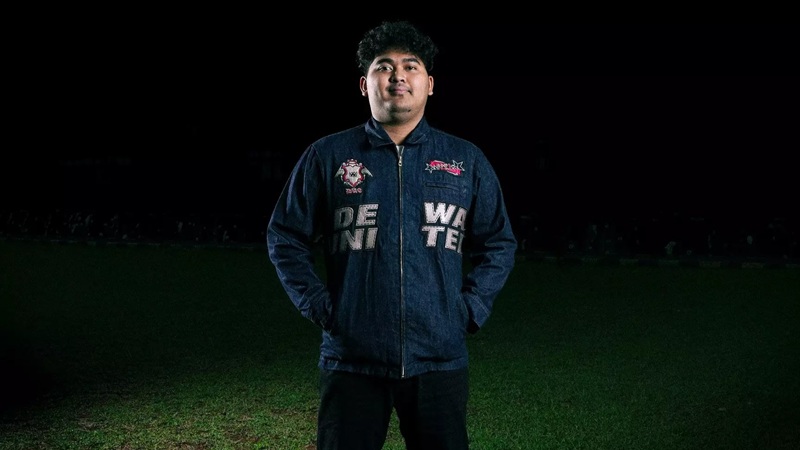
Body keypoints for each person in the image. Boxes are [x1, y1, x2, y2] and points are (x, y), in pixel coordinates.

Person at [267, 20, 517, 450]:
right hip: (352, 361)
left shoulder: (465, 159)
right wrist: (324, 308)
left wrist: (469, 309)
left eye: (410, 66)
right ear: (364, 84)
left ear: (429, 84)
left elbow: (499, 242)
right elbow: (284, 236)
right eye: (384, 66)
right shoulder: (328, 156)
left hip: (439, 360)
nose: (398, 76)